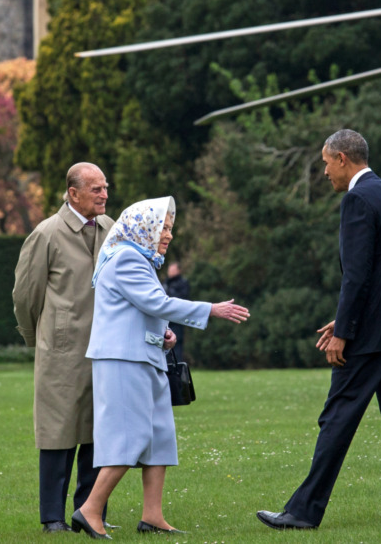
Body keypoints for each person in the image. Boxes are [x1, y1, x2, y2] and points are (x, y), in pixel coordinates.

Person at [256, 129, 381, 530]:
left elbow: (356, 275)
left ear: (342, 158)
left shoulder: (357, 199)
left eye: (325, 162)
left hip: (371, 332)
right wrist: (346, 316)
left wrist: (345, 331)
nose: (324, 172)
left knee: (338, 414)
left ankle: (303, 513)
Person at [70, 197, 250, 539]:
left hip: (143, 357)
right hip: (124, 362)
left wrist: (162, 333)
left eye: (170, 228)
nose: (168, 234)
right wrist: (211, 309)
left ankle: (152, 516)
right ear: (143, 227)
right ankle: (89, 510)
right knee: (132, 438)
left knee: (160, 438)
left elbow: (141, 310)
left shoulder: (139, 259)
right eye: (162, 227)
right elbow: (156, 302)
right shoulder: (126, 259)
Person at [13, 162, 117, 534]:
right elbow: (26, 295)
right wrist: (39, 339)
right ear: (73, 193)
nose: (105, 194)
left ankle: (90, 512)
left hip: (106, 348)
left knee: (97, 431)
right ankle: (52, 518)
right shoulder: (47, 233)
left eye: (105, 188)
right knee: (58, 433)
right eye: (96, 189)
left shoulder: (111, 229)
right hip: (61, 349)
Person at [163, 262, 191, 362]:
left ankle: (177, 370)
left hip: (177, 321)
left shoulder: (182, 283)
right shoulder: (165, 283)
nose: (170, 272)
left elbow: (183, 300)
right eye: (169, 270)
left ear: (178, 271)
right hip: (165, 321)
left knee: (177, 346)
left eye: (173, 270)